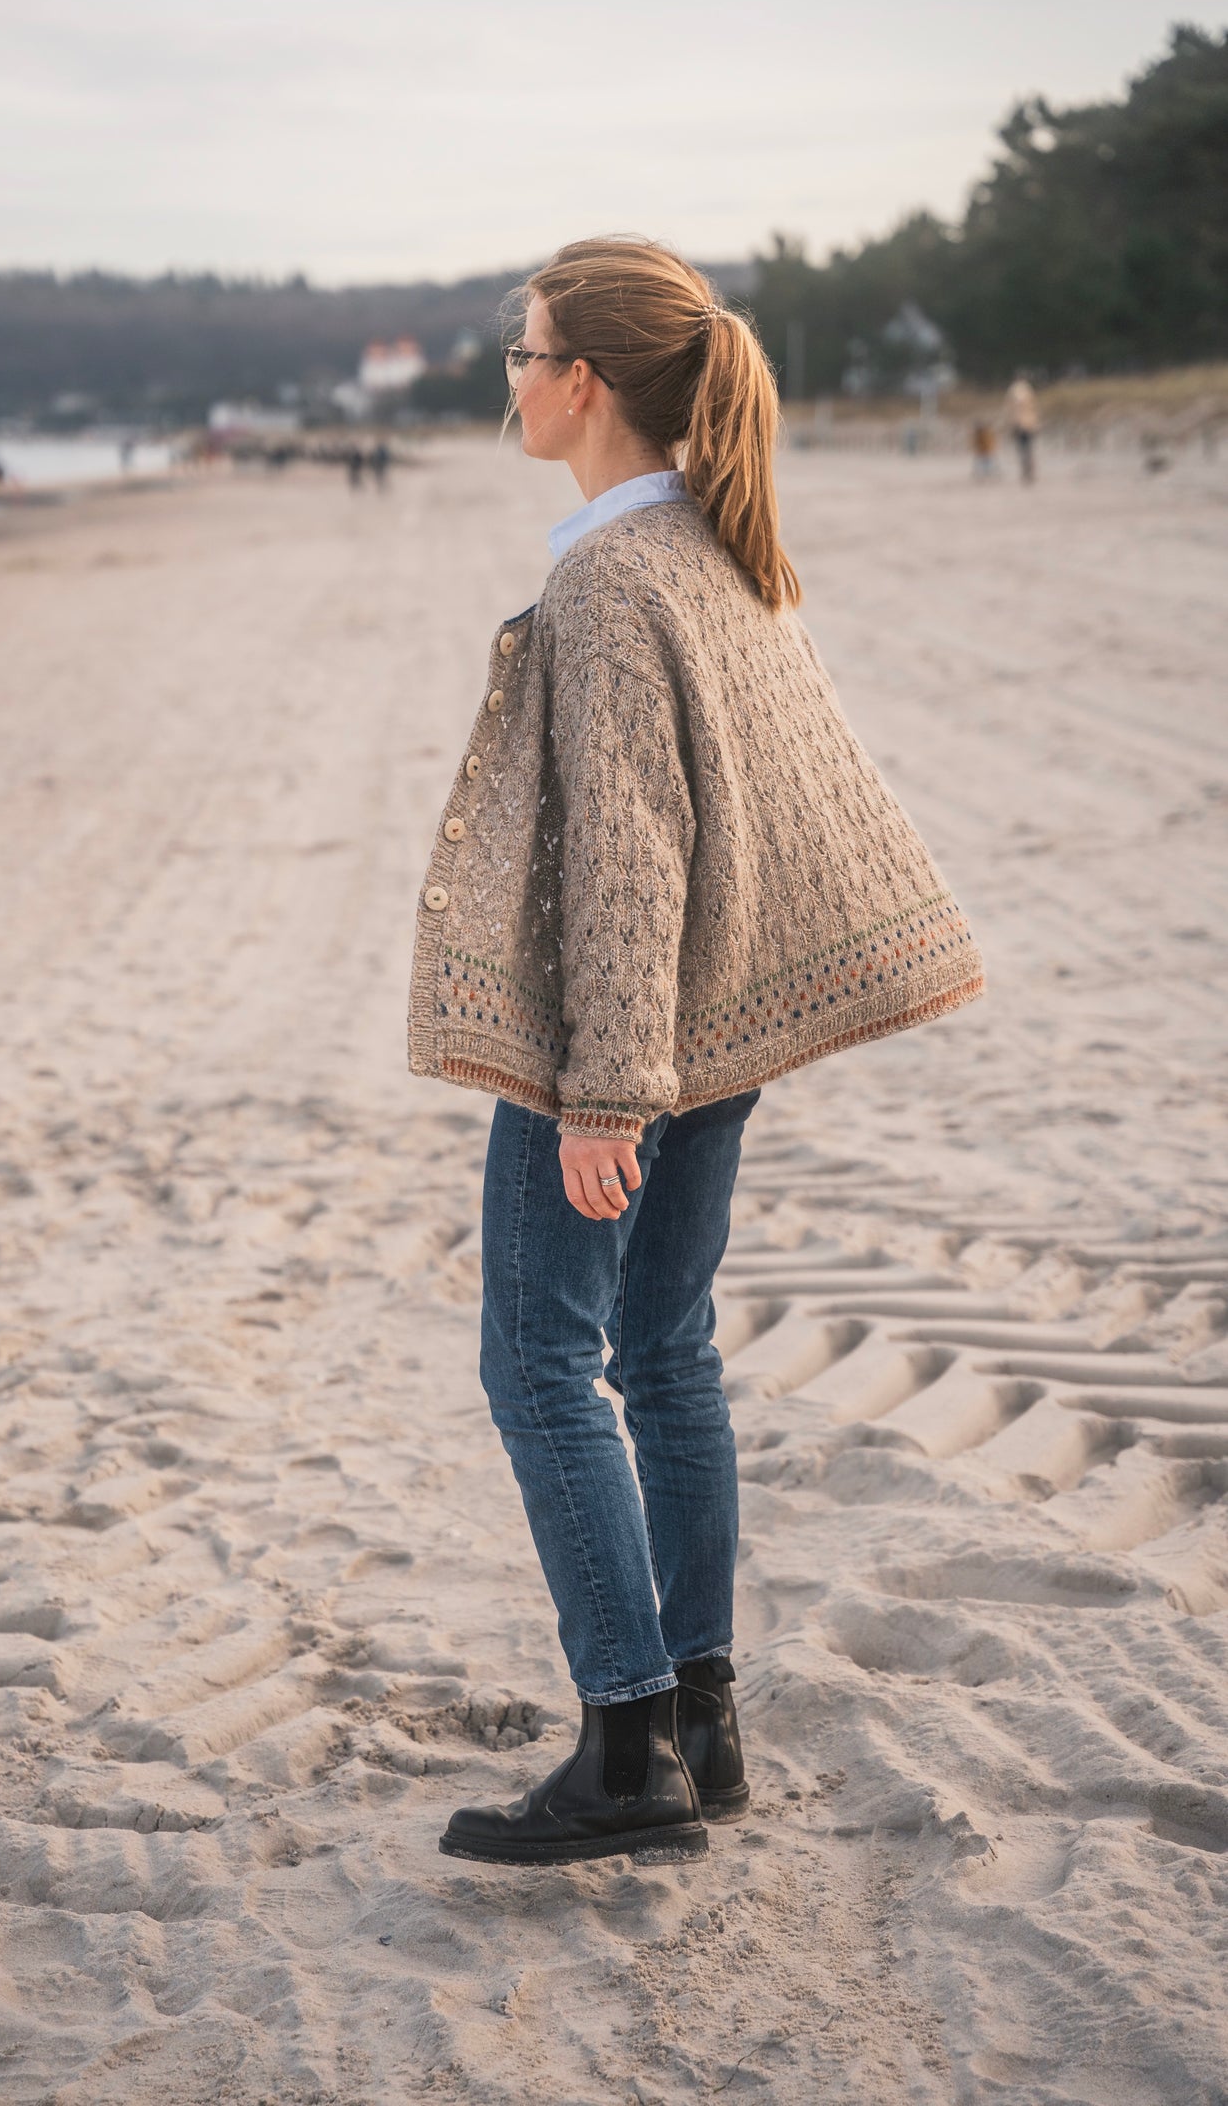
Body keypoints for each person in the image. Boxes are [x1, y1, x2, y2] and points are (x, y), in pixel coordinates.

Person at [408, 236, 985, 1868]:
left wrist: (602, 1094)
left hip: (629, 1031)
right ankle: (702, 1718)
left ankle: (626, 1745)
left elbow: (631, 851)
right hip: (721, 1021)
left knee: (539, 1359)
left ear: (583, 380)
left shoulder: (612, 576)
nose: (506, 377)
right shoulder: (714, 542)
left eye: (521, 352)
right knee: (661, 1347)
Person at [1005, 375, 1040, 483]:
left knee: (1023, 449)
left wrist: (1012, 423)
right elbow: (1033, 407)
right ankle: (1028, 470)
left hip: (1020, 424)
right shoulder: (1029, 389)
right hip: (1030, 423)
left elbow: (1012, 408)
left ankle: (1026, 470)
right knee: (1028, 448)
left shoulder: (1014, 391)